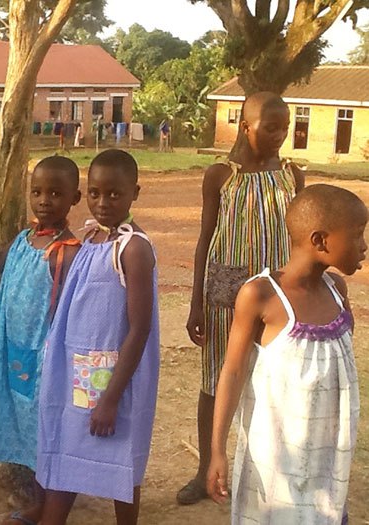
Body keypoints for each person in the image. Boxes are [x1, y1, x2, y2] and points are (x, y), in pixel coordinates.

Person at [207, 184, 364, 524]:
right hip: (275, 462)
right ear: (320, 241)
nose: (364, 246)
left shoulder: (337, 290)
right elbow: (232, 373)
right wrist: (217, 449)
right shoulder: (261, 295)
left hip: (326, 456)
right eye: (356, 236)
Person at [178, 91, 305, 505]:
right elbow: (205, 239)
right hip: (225, 297)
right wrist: (196, 301)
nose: (280, 135)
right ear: (246, 126)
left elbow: (301, 242)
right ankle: (205, 472)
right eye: (271, 127)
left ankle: (271, 475)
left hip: (276, 299)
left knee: (274, 382)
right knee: (215, 380)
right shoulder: (220, 175)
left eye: (285, 127)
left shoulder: (292, 175)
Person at [36, 149, 159, 525]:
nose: (102, 203)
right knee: (69, 446)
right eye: (94, 193)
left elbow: (139, 329)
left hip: (115, 379)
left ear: (134, 193)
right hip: (79, 372)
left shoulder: (133, 249)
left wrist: (110, 398)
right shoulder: (91, 239)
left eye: (114, 194)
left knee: (122, 456)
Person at [0, 156, 82, 525]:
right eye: (37, 192)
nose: (44, 200)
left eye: (55, 193)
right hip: (12, 352)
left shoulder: (68, 252)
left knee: (48, 432)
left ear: (74, 198)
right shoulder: (22, 239)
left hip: (43, 359)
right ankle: (39, 504)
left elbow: (69, 316)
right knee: (29, 432)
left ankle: (52, 510)